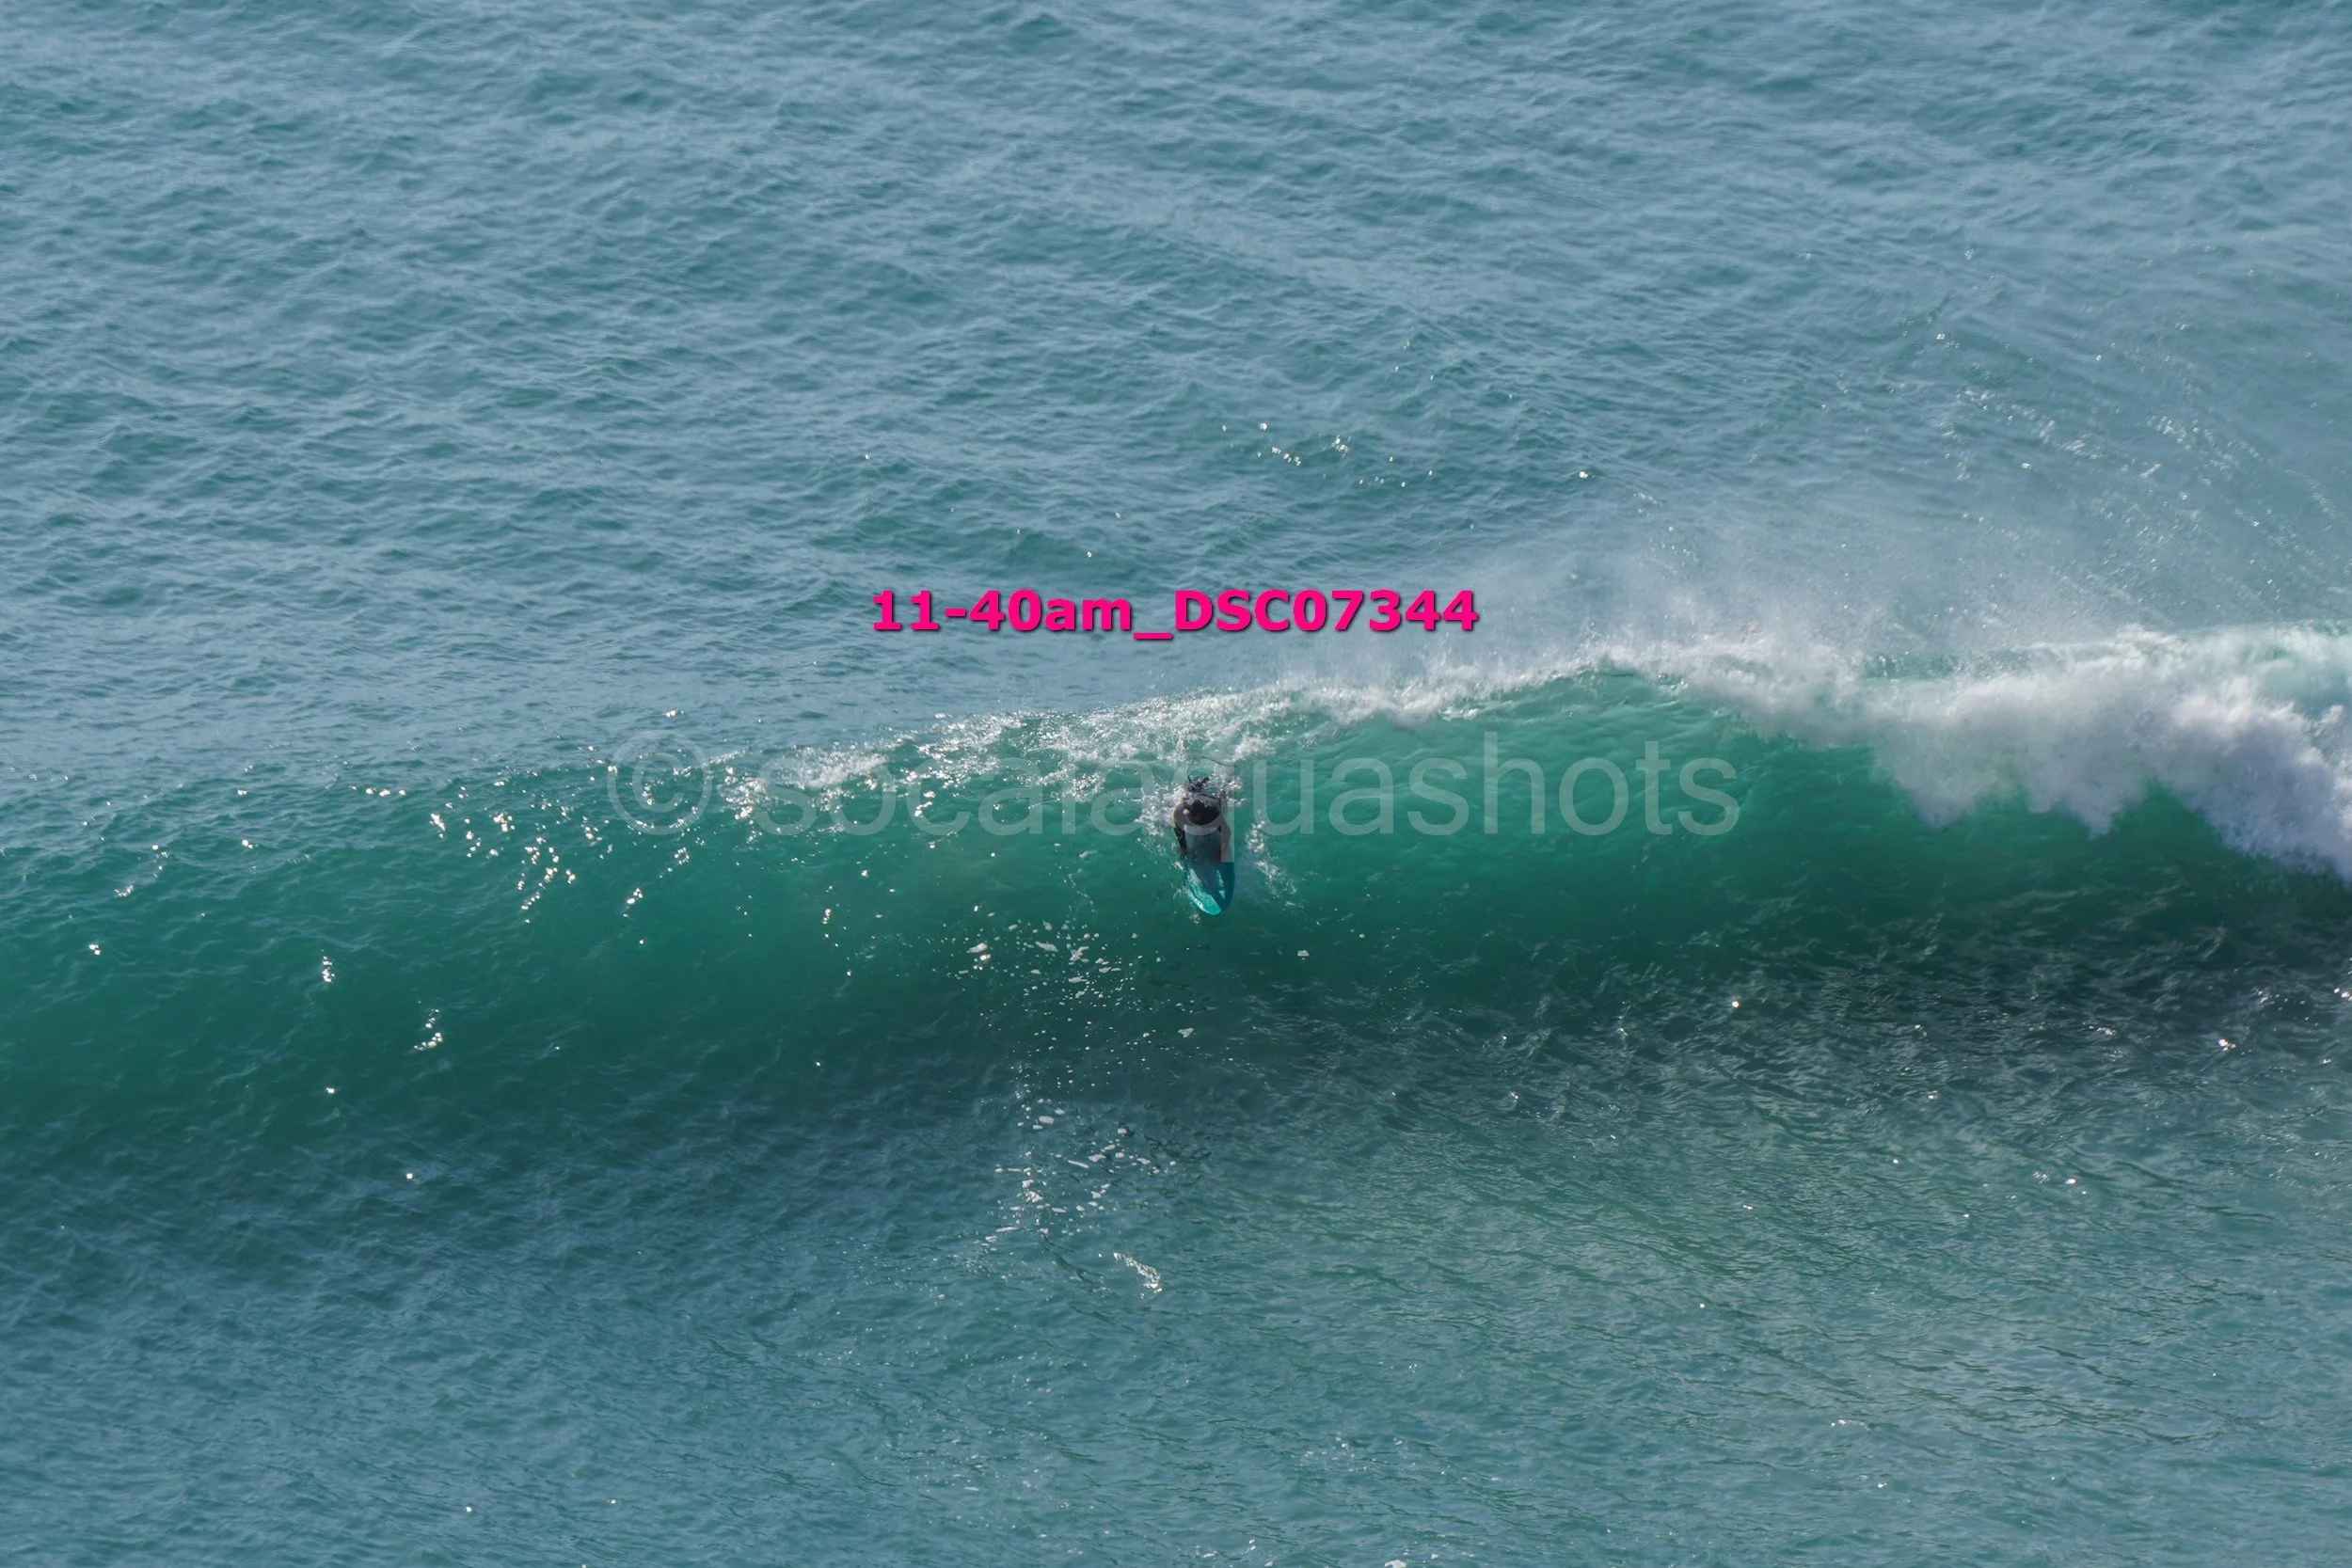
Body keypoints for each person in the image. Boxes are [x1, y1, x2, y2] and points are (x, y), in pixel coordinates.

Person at [1170, 775, 1232, 864]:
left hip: (1213, 801)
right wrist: (1183, 847)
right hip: (1196, 797)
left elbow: (1227, 832)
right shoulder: (1181, 811)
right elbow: (1178, 830)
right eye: (1188, 813)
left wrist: (1221, 851)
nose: (1187, 816)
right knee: (1188, 791)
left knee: (1224, 803)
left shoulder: (1212, 816)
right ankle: (1201, 782)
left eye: (1191, 815)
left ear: (1199, 816)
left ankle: (1228, 781)